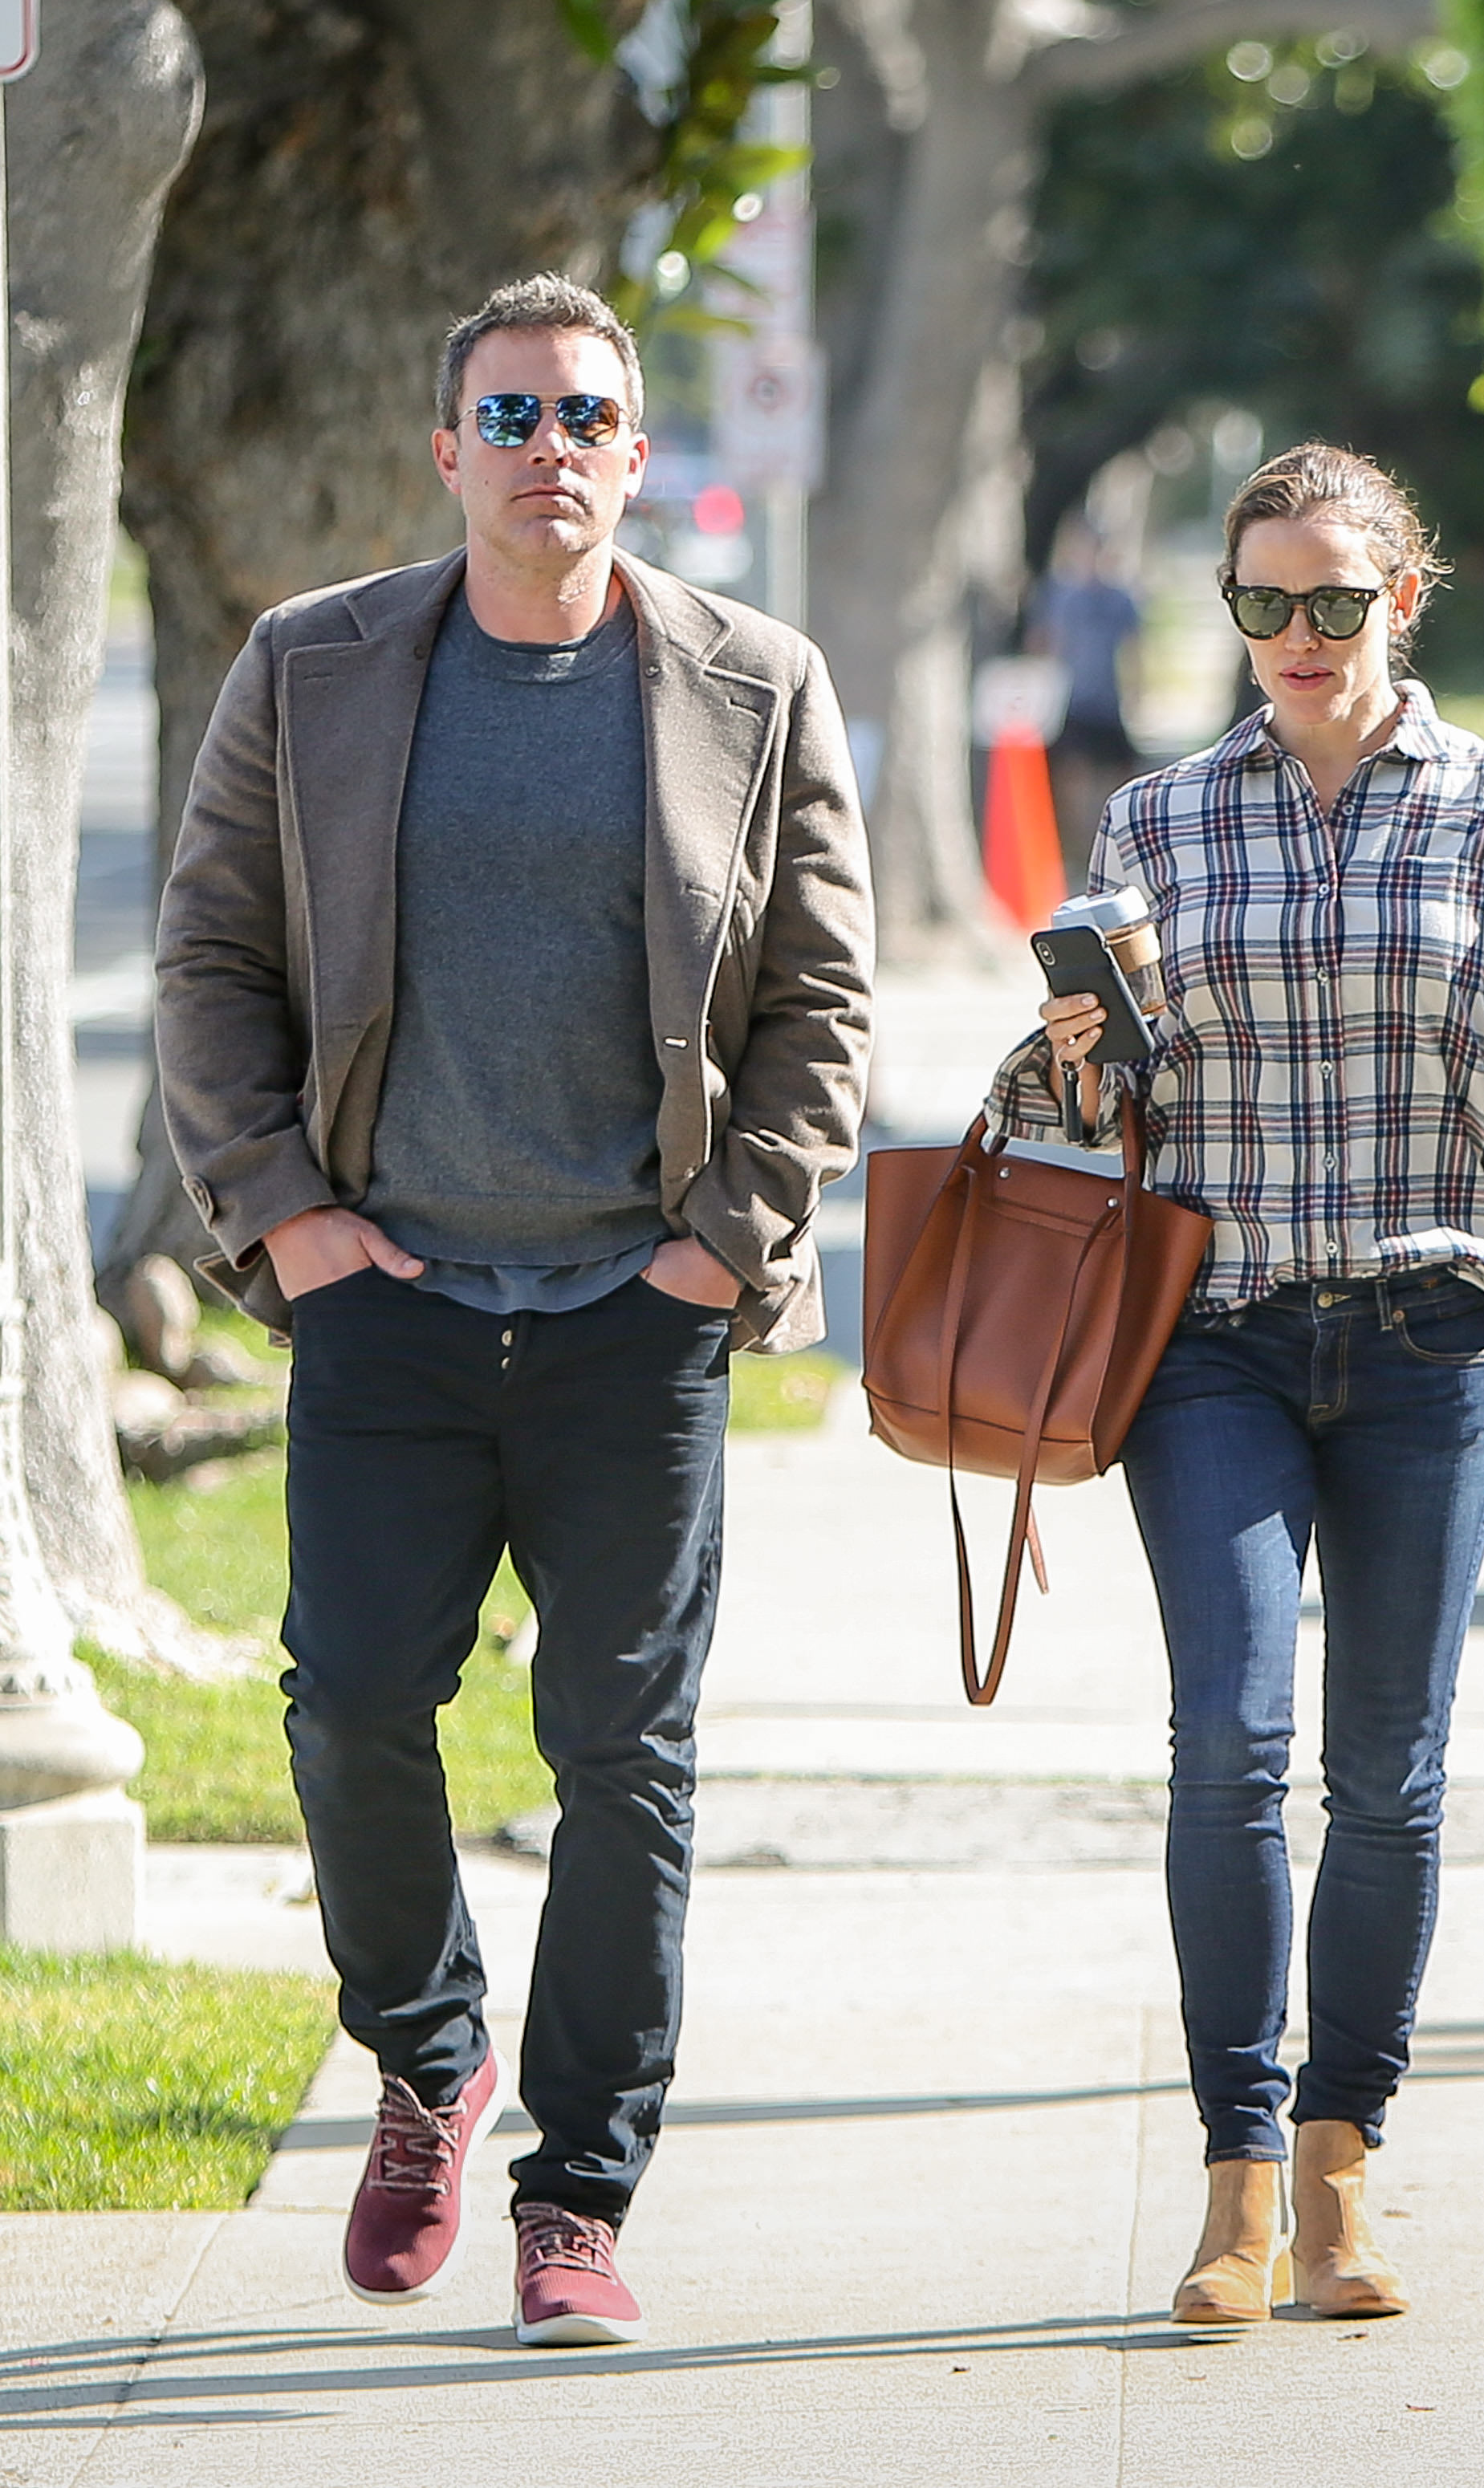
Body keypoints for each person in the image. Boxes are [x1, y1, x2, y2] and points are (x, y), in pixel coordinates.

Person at [155, 274, 872, 2345]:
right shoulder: (314, 667)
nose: (549, 444)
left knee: (617, 1749)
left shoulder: (755, 679)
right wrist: (283, 1216)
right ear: (447, 449)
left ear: (638, 456)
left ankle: (576, 2190)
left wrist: (717, 1246)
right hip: (380, 1294)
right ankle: (425, 2048)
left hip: (630, 1312)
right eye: (511, 410)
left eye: (586, 414)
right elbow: (211, 960)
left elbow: (818, 1001)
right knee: (351, 1701)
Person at [988, 443, 1484, 2325]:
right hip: (1208, 1338)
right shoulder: (1158, 817)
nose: (1294, 638)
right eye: (1258, 604)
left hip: (1430, 1335)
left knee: (1384, 1771)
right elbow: (1081, 1107)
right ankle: (1230, 2181)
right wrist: (1066, 1051)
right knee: (1226, 1736)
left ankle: (1339, 2172)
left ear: (1404, 597)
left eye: (1331, 600)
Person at [1032, 519, 1145, 888]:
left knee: (1118, 779)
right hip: (1071, 701)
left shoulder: (1121, 598)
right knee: (1071, 780)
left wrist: (1136, 693)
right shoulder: (1059, 596)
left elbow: (1133, 651)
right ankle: (1078, 854)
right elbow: (1044, 643)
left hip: (1108, 700)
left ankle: (1113, 850)